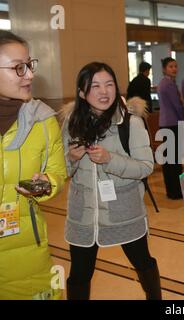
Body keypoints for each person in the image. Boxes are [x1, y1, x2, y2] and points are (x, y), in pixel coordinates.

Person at [62, 62, 161, 300]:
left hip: (123, 211)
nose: (104, 92)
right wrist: (72, 158)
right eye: (95, 86)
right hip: (83, 215)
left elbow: (146, 166)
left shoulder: (130, 123)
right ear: (82, 92)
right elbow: (63, 170)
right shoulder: (71, 123)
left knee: (143, 263)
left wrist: (110, 159)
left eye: (109, 84)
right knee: (79, 275)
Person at [0, 30, 67, 299]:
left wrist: (46, 184)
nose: (29, 74)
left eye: (29, 65)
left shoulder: (43, 120)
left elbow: (57, 173)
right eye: (18, 68)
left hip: (28, 251)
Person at [157, 57, 184, 200]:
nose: (174, 69)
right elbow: (177, 106)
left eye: (175, 66)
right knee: (174, 160)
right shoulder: (168, 84)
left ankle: (172, 190)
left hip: (166, 123)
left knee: (170, 160)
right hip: (173, 124)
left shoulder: (165, 83)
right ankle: (175, 191)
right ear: (164, 69)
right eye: (170, 66)